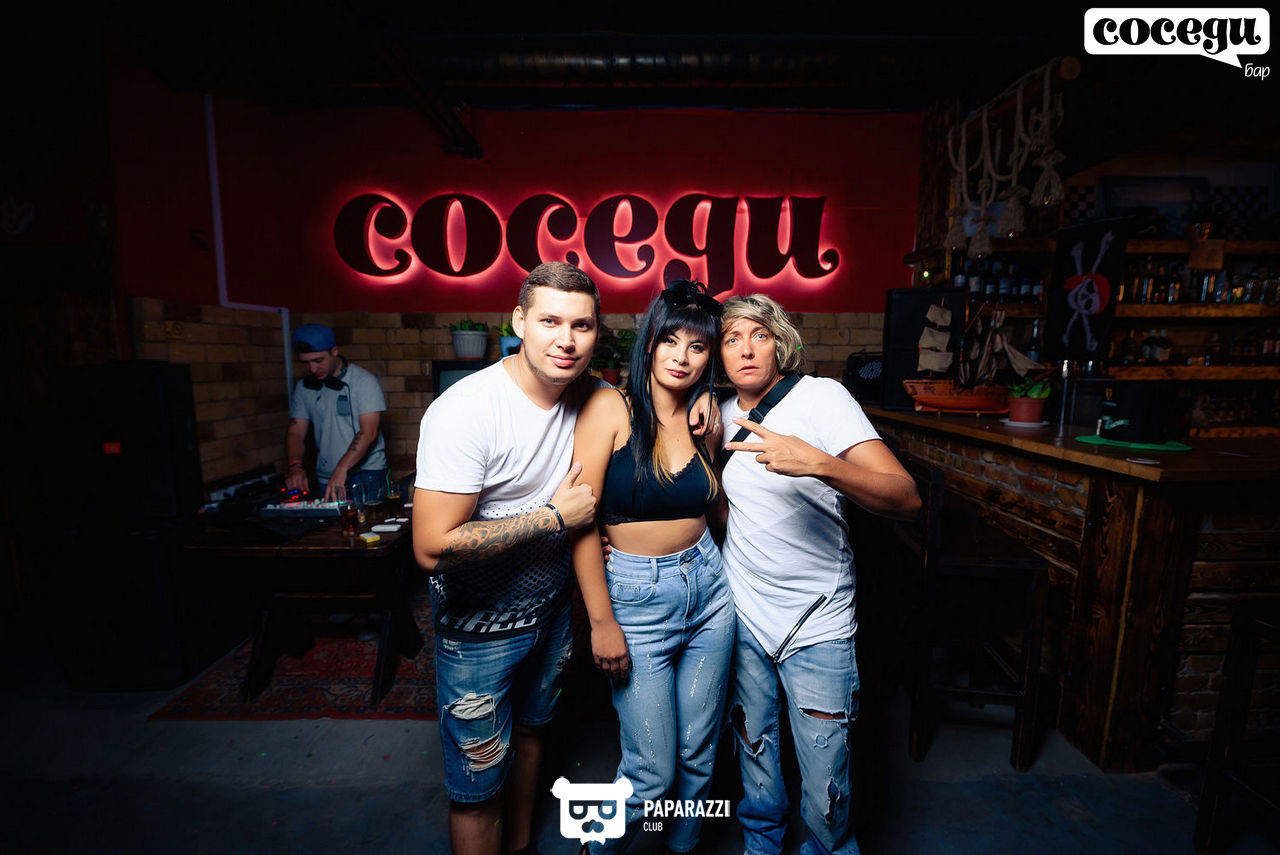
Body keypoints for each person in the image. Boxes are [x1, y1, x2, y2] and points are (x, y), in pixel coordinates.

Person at [716, 294, 920, 855]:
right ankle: (761, 844)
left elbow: (906, 499)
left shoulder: (822, 397)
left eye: (758, 335)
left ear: (779, 342)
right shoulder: (718, 412)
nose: (746, 349)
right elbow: (728, 511)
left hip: (817, 620)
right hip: (745, 614)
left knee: (827, 781)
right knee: (755, 753)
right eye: (731, 339)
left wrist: (821, 464)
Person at [412, 262, 602, 855]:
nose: (566, 340)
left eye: (581, 325)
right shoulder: (467, 409)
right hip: (478, 630)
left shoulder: (587, 395)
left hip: (551, 611)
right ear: (518, 322)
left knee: (533, 734)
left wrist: (701, 407)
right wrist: (551, 518)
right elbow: (431, 546)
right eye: (549, 321)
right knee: (477, 783)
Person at [570, 280, 732, 855]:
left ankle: (680, 847)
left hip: (709, 590)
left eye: (697, 346)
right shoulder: (611, 408)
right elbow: (580, 522)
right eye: (670, 340)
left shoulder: (703, 418)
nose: (681, 357)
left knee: (698, 755)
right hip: (637, 599)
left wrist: (713, 436)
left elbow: (714, 509)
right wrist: (601, 621)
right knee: (652, 773)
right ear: (650, 341)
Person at [285, 323, 387, 501]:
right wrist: (295, 466)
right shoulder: (303, 387)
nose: (312, 369)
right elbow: (296, 432)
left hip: (366, 473)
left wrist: (342, 468)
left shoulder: (364, 382)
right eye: (305, 363)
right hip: (326, 476)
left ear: (334, 351)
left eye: (318, 361)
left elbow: (369, 432)